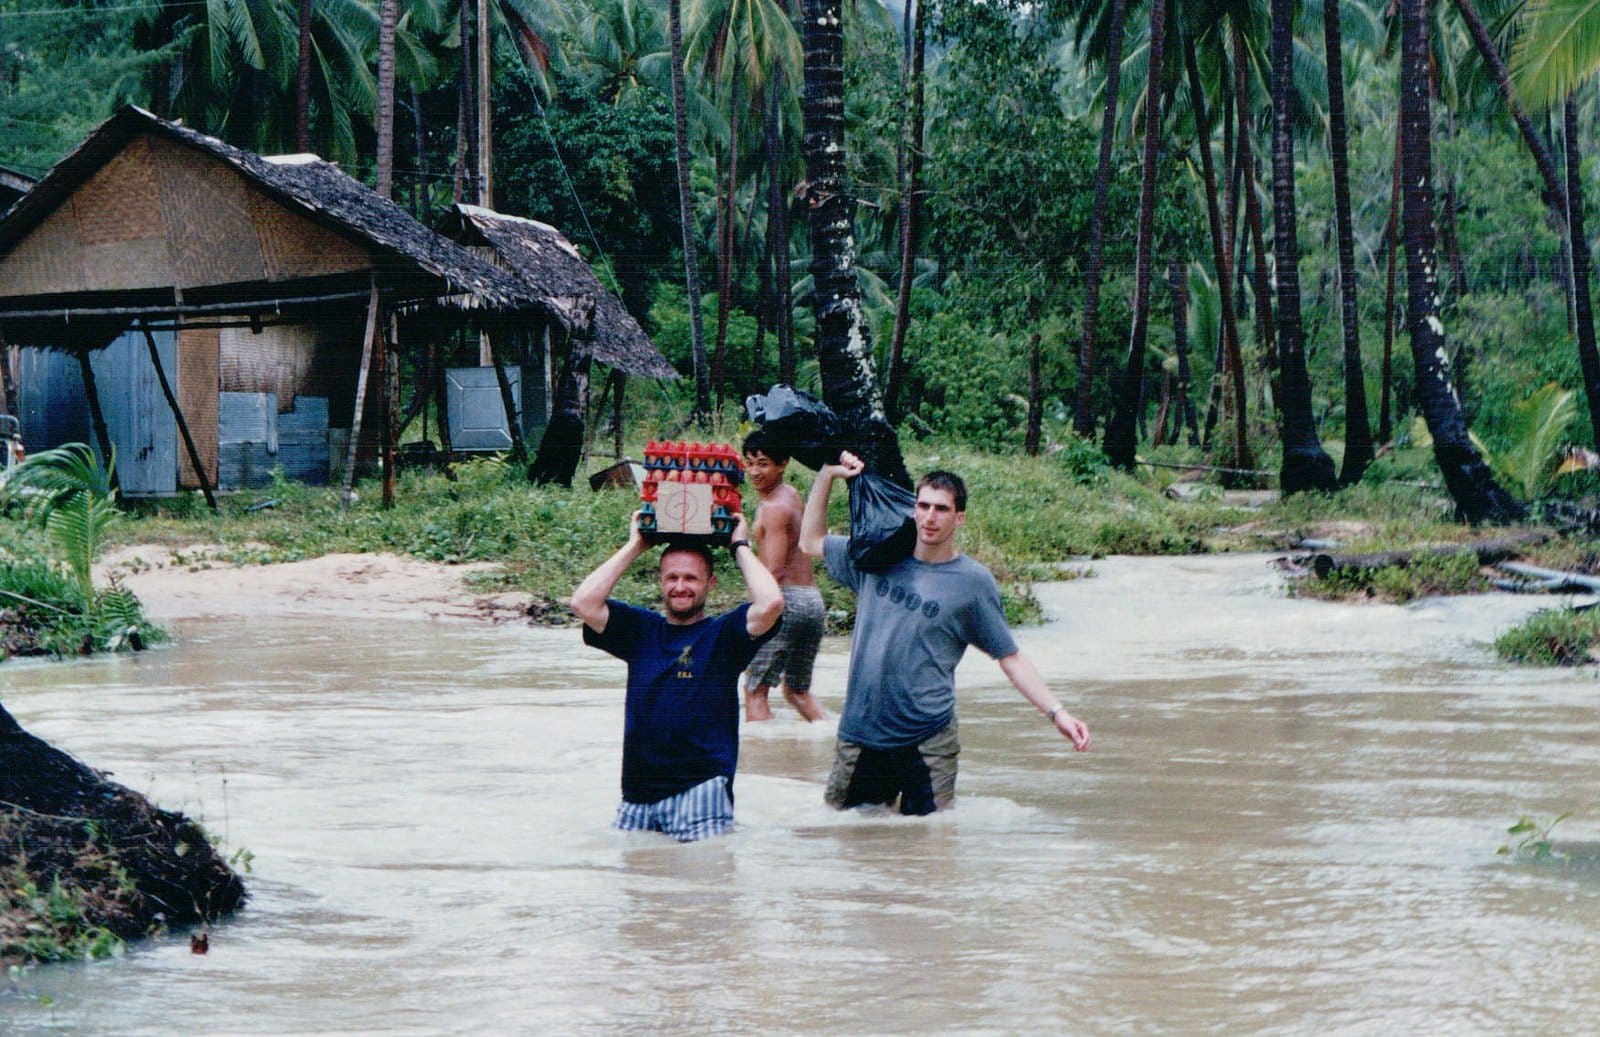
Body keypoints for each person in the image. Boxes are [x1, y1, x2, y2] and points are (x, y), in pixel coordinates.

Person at [798, 451, 1090, 814]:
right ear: (913, 509)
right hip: (861, 732)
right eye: (923, 506)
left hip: (927, 737)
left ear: (959, 518)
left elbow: (1009, 656)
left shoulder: (972, 583)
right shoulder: (876, 556)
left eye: (941, 509)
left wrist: (1057, 713)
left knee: (931, 846)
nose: (930, 517)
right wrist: (827, 475)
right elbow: (810, 542)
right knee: (847, 840)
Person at [571, 512, 784, 841]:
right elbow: (584, 602)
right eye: (671, 578)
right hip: (637, 796)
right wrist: (636, 544)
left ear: (710, 584)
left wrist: (739, 545)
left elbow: (771, 603)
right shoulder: (641, 630)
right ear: (660, 582)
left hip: (701, 792)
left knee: (699, 889)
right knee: (636, 887)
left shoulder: (724, 635)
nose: (680, 587)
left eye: (691, 578)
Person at [741, 429, 828, 722]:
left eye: (763, 463)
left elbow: (774, 571)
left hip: (786, 600)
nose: (755, 471)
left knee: (755, 689)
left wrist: (755, 616)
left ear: (782, 464)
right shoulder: (790, 495)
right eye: (750, 462)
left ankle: (761, 766)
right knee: (797, 691)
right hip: (812, 602)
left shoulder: (773, 508)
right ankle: (832, 738)